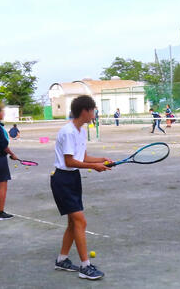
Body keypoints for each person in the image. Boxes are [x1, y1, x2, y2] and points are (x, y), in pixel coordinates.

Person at [51, 95, 111, 280]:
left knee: (73, 223)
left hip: (73, 178)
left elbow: (82, 157)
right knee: (80, 222)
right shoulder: (68, 131)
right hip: (62, 180)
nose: (94, 115)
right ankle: (85, 266)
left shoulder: (81, 130)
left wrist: (102, 160)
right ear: (84, 111)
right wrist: (94, 167)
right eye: (93, 111)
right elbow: (69, 162)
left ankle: (62, 260)